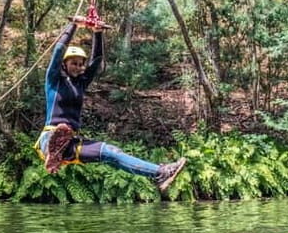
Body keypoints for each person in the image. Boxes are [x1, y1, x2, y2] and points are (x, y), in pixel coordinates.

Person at [35, 20, 186, 192]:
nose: (78, 67)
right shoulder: (53, 81)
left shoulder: (81, 84)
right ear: (64, 64)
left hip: (72, 142)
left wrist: (98, 33)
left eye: (80, 64)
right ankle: (52, 148)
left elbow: (97, 60)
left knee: (111, 153)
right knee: (59, 132)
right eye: (73, 63)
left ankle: (161, 173)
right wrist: (73, 26)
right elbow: (57, 51)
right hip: (50, 134)